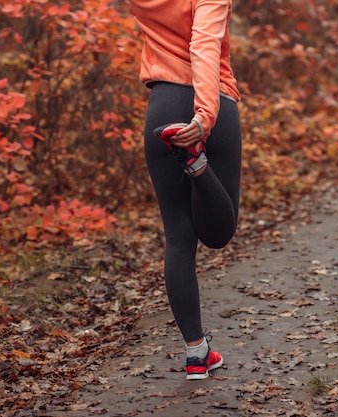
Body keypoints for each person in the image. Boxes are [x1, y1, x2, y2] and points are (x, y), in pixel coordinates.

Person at [128, 0, 242, 380]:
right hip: (210, 102)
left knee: (178, 238)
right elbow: (204, 45)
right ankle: (196, 164)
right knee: (219, 232)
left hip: (161, 107)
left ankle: (196, 353)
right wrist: (205, 116)